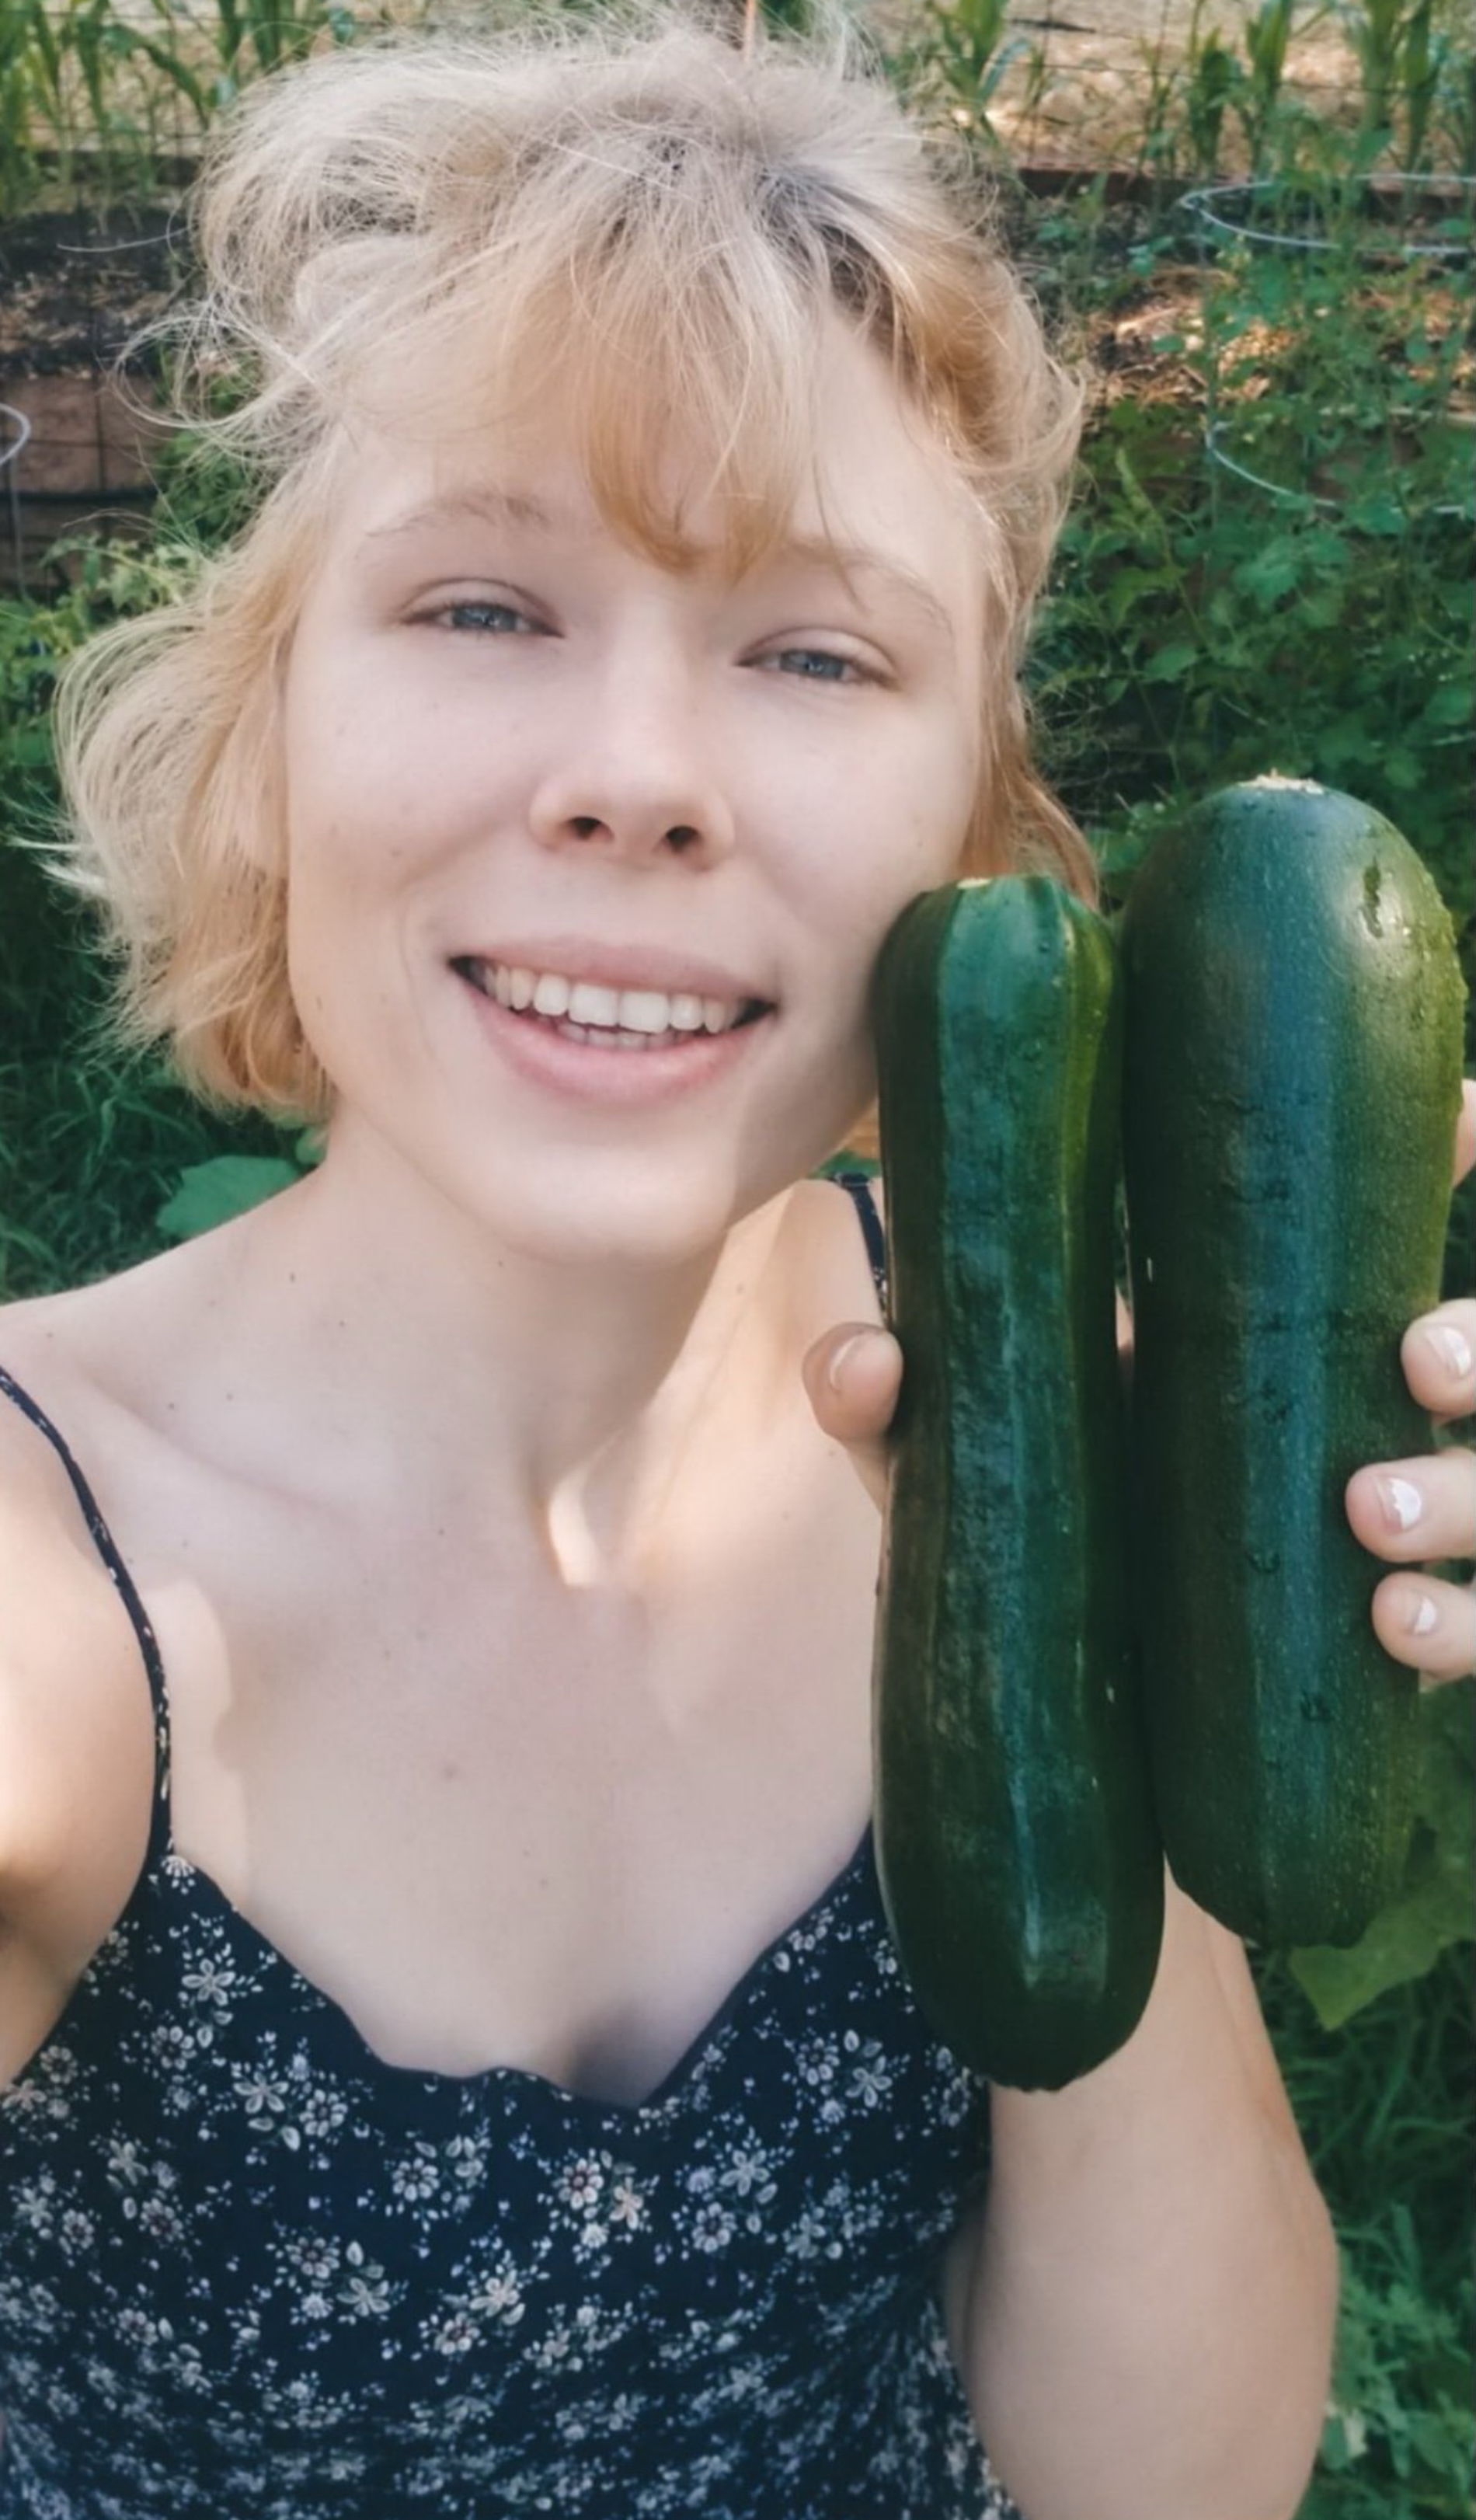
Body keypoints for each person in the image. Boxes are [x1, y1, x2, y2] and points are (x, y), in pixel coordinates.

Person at [2, 2, 1472, 2511]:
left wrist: (1139, 1614)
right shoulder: (50, 1586)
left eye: (811, 653)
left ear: (971, 836)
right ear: (265, 744)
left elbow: (1168, 2483)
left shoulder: (1049, 1401)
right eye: (484, 606)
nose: (640, 778)